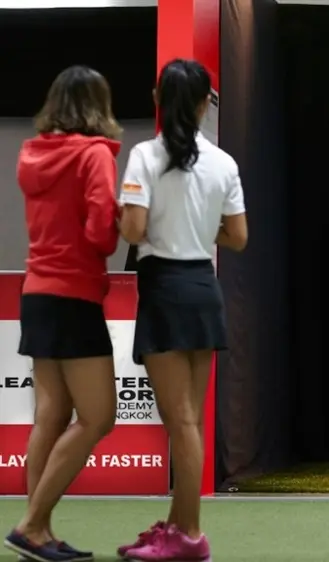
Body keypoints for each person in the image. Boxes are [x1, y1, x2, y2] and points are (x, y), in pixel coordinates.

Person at [114, 58, 247, 562]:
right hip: (203, 288)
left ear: (158, 99)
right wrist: (199, 227)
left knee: (183, 423)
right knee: (189, 419)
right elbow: (238, 237)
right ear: (202, 103)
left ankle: (189, 536)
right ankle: (177, 527)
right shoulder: (224, 162)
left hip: (165, 289)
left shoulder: (145, 156)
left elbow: (131, 230)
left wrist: (147, 222)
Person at [3, 65, 123, 562]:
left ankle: (40, 532)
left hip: (37, 293)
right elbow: (101, 234)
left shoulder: (32, 154)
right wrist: (122, 218)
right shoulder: (95, 155)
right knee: (99, 417)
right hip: (75, 295)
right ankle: (31, 525)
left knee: (50, 416)